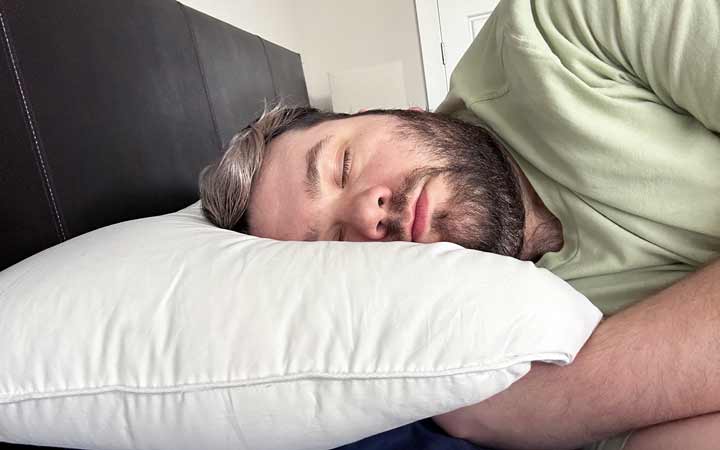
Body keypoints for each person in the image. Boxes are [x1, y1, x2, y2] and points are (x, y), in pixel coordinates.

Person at [198, 0, 720, 449]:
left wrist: (566, 398)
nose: (364, 213)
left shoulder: (557, 30)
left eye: (344, 167)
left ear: (400, 112)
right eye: (335, 244)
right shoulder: (483, 354)